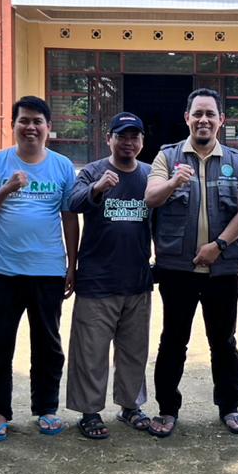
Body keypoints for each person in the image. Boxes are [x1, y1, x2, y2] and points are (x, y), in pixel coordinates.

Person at [144, 88, 238, 437]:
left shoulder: (236, 161)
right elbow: (151, 197)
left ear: (221, 120)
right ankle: (167, 409)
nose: (203, 120)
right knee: (173, 340)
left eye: (210, 114)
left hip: (222, 270)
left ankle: (229, 407)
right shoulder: (167, 157)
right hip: (178, 270)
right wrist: (174, 181)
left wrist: (218, 247)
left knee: (223, 341)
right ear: (187, 118)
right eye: (197, 114)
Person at [0, 96, 78, 441]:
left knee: (48, 344)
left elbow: (69, 217)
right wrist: (7, 188)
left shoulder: (62, 166)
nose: (30, 127)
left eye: (37, 121)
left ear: (49, 127)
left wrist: (72, 264)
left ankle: (46, 409)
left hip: (48, 271)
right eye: (24, 121)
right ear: (13, 125)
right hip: (3, 271)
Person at [65, 113, 154, 440]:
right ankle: (89, 412)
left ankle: (130, 406)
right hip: (97, 281)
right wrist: (98, 188)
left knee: (134, 350)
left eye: (134, 136)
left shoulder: (150, 174)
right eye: (122, 136)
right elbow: (72, 202)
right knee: (90, 352)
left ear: (142, 141)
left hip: (138, 280)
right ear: (109, 139)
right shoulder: (92, 171)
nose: (128, 142)